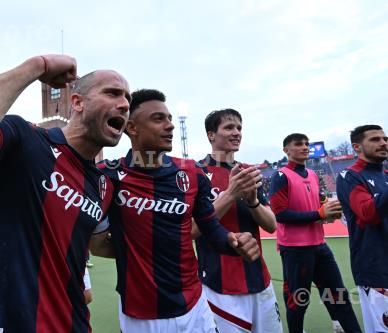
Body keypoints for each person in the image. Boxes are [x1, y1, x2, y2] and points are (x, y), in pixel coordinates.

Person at [0, 54, 130, 332]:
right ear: (77, 102)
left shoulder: (103, 184)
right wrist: (36, 67)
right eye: (113, 93)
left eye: (127, 99)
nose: (124, 104)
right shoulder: (25, 140)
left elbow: (97, 244)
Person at [94, 89, 260, 333]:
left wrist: (234, 242)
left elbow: (211, 229)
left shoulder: (192, 174)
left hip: (194, 306)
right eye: (158, 118)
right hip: (140, 314)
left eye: (170, 119)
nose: (170, 126)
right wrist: (134, 251)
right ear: (132, 127)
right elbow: (95, 243)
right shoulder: (108, 176)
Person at [194, 109, 282, 332]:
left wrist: (252, 201)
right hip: (218, 286)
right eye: (229, 127)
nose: (236, 133)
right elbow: (192, 229)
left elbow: (271, 225)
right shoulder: (195, 172)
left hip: (259, 280)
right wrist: (231, 194)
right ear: (211, 135)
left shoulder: (248, 172)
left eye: (239, 128)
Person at [269, 133, 362, 333]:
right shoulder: (280, 176)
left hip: (320, 245)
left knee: (338, 295)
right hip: (295, 250)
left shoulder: (312, 174)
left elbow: (317, 202)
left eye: (306, 144)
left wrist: (327, 209)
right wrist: (319, 213)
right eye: (298, 144)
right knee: (298, 301)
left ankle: (343, 326)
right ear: (286, 150)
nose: (304, 147)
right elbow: (280, 214)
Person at [335, 125, 388, 333]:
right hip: (376, 270)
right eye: (375, 139)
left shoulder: (385, 175)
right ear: (357, 147)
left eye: (385, 138)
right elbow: (368, 212)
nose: (383, 143)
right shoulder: (349, 176)